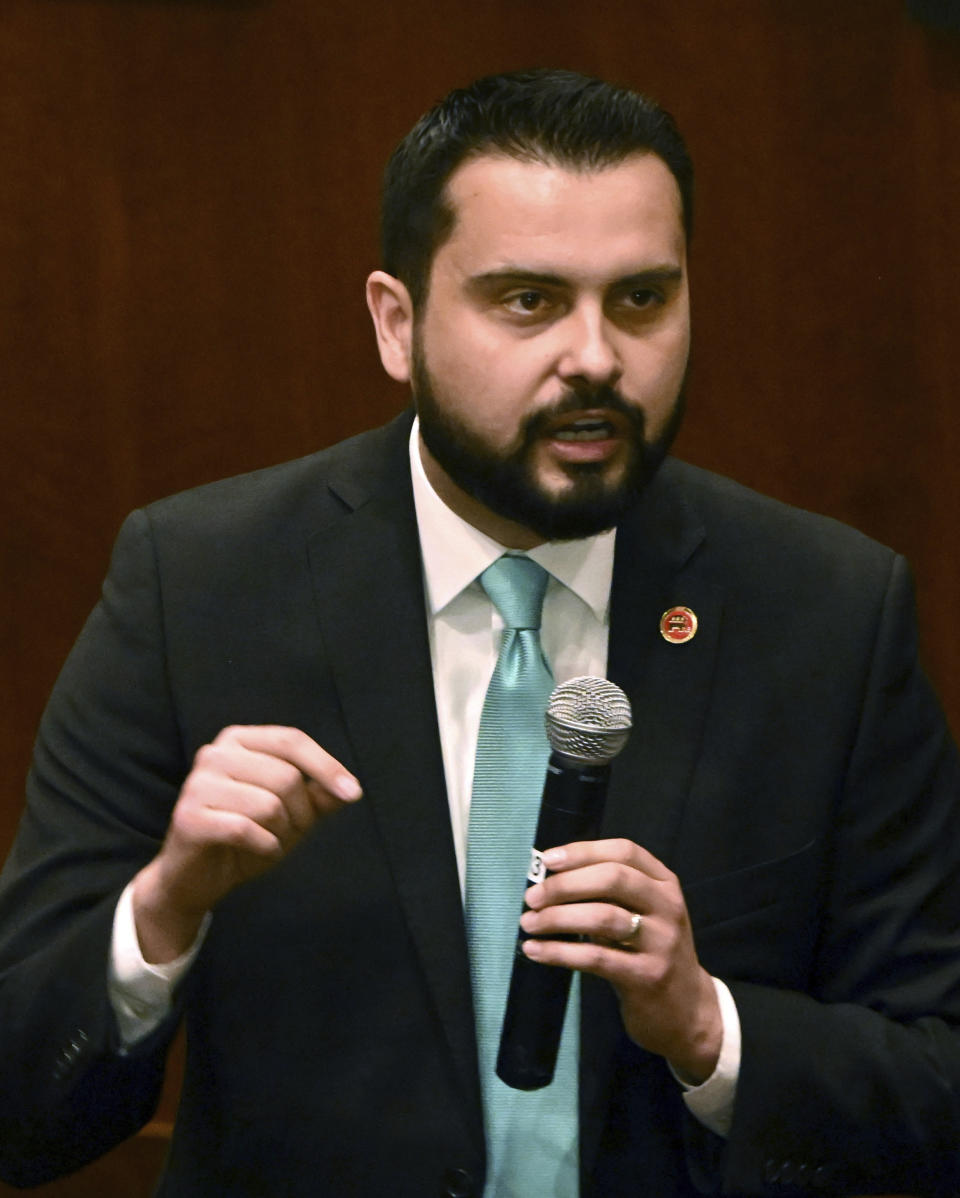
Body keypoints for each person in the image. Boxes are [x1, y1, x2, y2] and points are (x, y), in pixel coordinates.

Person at [0, 67, 958, 1198]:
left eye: (642, 299)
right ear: (396, 324)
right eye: (528, 301)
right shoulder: (197, 584)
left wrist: (710, 1027)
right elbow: (23, 1110)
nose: (597, 356)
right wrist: (162, 913)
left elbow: (936, 1079)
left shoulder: (827, 610)